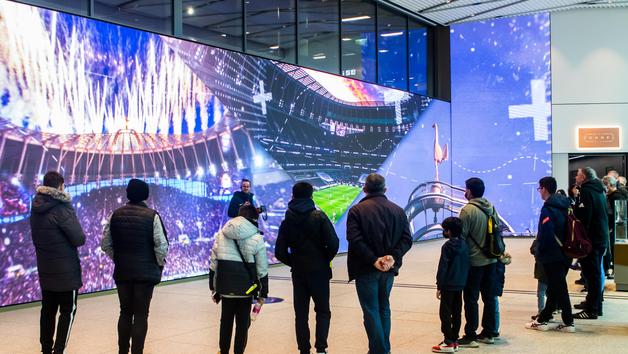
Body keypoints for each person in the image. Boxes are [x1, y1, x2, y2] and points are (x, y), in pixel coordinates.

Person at [101, 179, 169, 354]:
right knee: (140, 315)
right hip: (145, 274)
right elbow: (161, 246)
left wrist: (118, 259)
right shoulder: (152, 216)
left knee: (125, 312)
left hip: (123, 272)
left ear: (128, 193)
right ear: (145, 195)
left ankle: (122, 351)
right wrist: (158, 264)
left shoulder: (114, 215)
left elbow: (105, 244)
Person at [346, 173, 412, 354]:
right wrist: (392, 258)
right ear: (385, 189)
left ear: (364, 189)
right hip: (388, 270)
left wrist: (374, 260)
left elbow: (354, 239)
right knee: (383, 308)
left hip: (366, 269)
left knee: (371, 310)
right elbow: (407, 239)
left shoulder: (356, 211)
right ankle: (383, 349)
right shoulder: (398, 210)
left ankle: (379, 351)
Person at [275, 182, 339, 354]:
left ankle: (304, 350)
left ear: (293, 196)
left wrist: (294, 262)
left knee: (301, 315)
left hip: (299, 273)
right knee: (323, 311)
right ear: (311, 196)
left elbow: (279, 252)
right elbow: (334, 244)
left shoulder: (287, 221)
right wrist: (324, 259)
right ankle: (321, 349)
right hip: (319, 271)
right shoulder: (320, 217)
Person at [30, 171, 86, 354]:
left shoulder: (36, 206)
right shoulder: (62, 207)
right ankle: (58, 350)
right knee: (68, 311)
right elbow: (78, 238)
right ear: (60, 186)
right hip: (66, 272)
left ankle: (45, 349)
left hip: (45, 269)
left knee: (47, 311)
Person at [209, 204, 269, 354]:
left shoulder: (221, 234)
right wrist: (264, 292)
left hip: (225, 286)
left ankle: (223, 351)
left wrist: (213, 288)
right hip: (246, 288)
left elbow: (213, 263)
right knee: (242, 324)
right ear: (253, 218)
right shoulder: (256, 237)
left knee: (225, 322)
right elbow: (262, 269)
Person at [525, 176, 575, 332]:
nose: (539, 192)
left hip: (552, 255)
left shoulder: (548, 208)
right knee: (554, 287)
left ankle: (568, 322)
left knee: (559, 287)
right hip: (566, 252)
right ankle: (544, 318)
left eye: (539, 189)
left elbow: (546, 234)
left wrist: (539, 251)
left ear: (545, 189)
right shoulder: (566, 205)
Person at [458, 177, 500, 348]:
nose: (464, 191)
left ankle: (470, 335)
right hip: (492, 259)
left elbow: (461, 238)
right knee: (489, 297)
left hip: (474, 262)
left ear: (470, 191)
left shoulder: (467, 211)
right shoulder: (491, 207)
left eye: (465, 188)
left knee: (471, 299)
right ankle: (489, 333)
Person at [573, 167, 609, 319]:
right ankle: (593, 304)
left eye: (578, 174)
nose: (576, 176)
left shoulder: (587, 191)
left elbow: (584, 217)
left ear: (584, 177)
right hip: (600, 237)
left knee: (592, 274)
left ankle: (592, 309)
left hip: (592, 239)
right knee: (594, 274)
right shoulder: (598, 189)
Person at [432, 217, 469, 353]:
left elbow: (443, 267)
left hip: (448, 285)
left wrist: (439, 286)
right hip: (460, 284)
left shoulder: (447, 246)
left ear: (448, 231)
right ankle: (454, 339)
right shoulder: (465, 244)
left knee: (445, 313)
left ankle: (448, 341)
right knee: (457, 312)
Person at [602, 175, 628, 279]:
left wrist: (611, 227)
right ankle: (613, 270)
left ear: (609, 185)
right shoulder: (613, 195)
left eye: (605, 185)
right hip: (615, 228)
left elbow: (618, 215)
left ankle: (616, 272)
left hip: (617, 229)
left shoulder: (616, 196)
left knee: (615, 250)